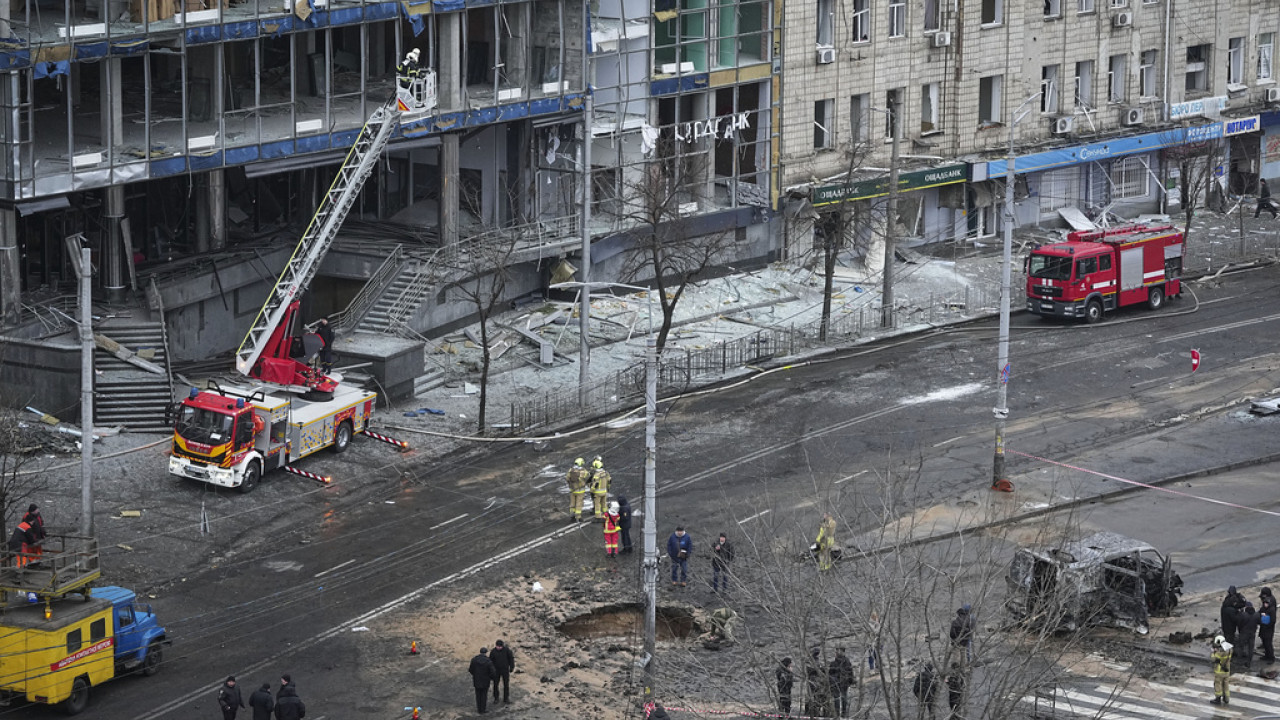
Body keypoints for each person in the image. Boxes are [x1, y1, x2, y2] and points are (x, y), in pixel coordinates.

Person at [468, 646, 496, 714]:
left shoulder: (474, 660)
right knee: (484, 695)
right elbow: (493, 672)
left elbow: (470, 669)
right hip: (485, 681)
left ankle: (479, 709)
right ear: (486, 653)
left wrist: (475, 675)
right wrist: (491, 678)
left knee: (478, 695)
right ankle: (483, 710)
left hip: (477, 680)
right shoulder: (488, 661)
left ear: (480, 652)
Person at [828, 647, 855, 718]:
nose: (836, 653)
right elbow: (850, 673)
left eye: (837, 651)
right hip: (839, 682)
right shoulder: (845, 661)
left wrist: (850, 681)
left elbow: (850, 672)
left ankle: (840, 713)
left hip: (841, 682)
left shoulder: (844, 662)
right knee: (840, 698)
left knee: (841, 698)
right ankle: (841, 713)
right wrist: (851, 681)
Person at [804, 647, 830, 718]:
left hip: (818, 681)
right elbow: (808, 670)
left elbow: (822, 669)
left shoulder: (818, 660)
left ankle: (816, 712)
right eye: (816, 652)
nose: (816, 654)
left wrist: (822, 670)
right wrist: (817, 669)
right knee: (810, 696)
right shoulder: (808, 660)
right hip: (811, 680)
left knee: (818, 697)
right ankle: (808, 712)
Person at [490, 639, 515, 704]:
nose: (499, 648)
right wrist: (491, 670)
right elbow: (490, 662)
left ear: (502, 646)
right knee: (495, 685)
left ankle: (506, 698)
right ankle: (496, 698)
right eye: (497, 646)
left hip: (505, 670)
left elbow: (511, 659)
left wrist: (512, 667)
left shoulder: (507, 650)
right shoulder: (493, 651)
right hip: (496, 671)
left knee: (506, 685)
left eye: (500, 646)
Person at [1236, 602, 1259, 671]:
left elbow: (1239, 624)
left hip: (1244, 633)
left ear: (1246, 607)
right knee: (1251, 647)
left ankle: (1239, 661)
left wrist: (1240, 631)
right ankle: (1249, 661)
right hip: (1252, 633)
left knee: (1241, 646)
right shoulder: (1256, 615)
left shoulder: (1243, 614)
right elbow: (1259, 623)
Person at [1211, 635, 1233, 705]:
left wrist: (1213, 652)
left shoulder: (1219, 651)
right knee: (1225, 684)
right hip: (1227, 670)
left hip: (1219, 671)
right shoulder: (1229, 649)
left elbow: (1214, 659)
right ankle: (1226, 698)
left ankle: (1218, 699)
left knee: (1218, 684)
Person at [1259, 587, 1277, 663]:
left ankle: (1271, 658)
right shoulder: (1264, 608)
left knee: (1268, 643)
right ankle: (1266, 655)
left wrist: (1266, 621)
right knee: (1265, 642)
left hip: (1268, 629)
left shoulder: (1271, 610)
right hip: (1264, 627)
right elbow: (1259, 612)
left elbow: (1273, 621)